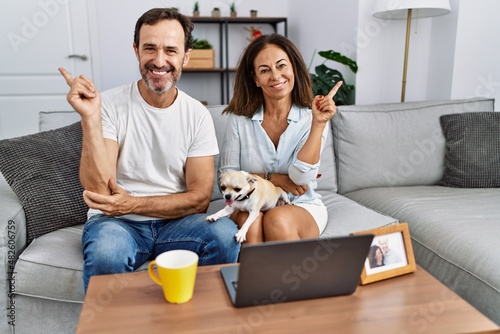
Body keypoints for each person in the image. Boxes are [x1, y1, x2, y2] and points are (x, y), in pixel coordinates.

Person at [58, 8, 240, 292]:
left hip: (177, 225)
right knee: (107, 253)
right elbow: (98, 192)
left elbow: (199, 199)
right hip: (117, 224)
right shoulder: (107, 105)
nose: (159, 61)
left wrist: (133, 203)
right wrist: (90, 119)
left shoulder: (197, 115)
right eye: (149, 48)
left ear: (186, 56)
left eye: (170, 50)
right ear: (136, 51)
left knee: (225, 234)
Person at [218, 33, 342, 243]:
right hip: (249, 201)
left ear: (293, 68)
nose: (275, 76)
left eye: (281, 66)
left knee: (277, 218)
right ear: (255, 79)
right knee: (253, 222)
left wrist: (318, 124)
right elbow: (227, 176)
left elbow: (301, 179)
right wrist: (274, 179)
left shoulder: (312, 117)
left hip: (300, 204)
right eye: (265, 70)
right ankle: (251, 276)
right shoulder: (238, 119)